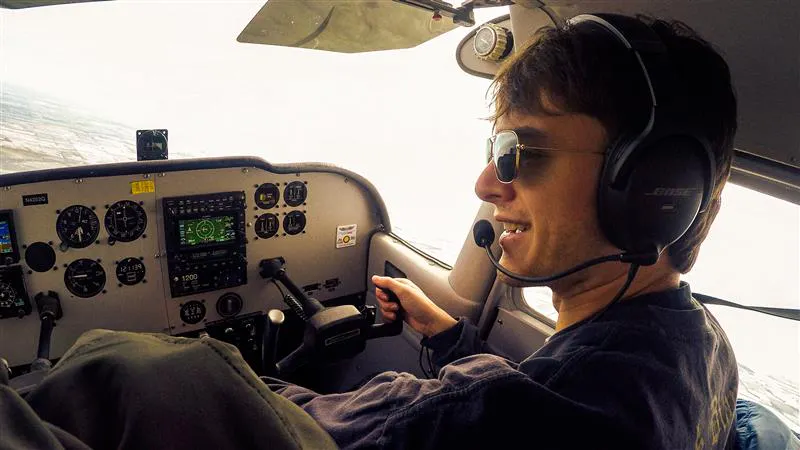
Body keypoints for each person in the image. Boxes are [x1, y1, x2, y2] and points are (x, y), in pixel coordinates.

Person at [264, 13, 740, 449]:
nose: (486, 184)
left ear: (652, 186)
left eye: (521, 153)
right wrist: (446, 331)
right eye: (495, 151)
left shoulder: (505, 417)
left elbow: (259, 420)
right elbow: (539, 388)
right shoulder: (703, 348)